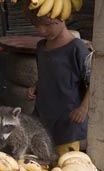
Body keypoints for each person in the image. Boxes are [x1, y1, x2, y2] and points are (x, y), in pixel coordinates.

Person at [26, 10, 92, 156]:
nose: (41, 31)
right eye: (36, 25)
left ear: (63, 18)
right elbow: (48, 74)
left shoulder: (77, 48)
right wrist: (35, 87)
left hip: (67, 122)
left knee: (65, 161)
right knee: (39, 157)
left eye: (47, 24)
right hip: (42, 116)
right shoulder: (41, 47)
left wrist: (83, 108)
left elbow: (93, 82)